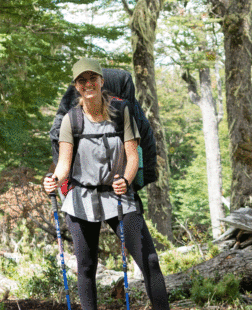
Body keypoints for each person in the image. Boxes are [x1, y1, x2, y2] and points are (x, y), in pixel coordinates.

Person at [43, 58, 170, 310]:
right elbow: (64, 164)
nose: (88, 84)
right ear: (76, 86)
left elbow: (133, 156)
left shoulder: (121, 112)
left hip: (118, 196)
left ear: (101, 81)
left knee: (150, 261)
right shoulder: (71, 119)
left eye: (92, 79)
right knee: (87, 267)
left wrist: (126, 179)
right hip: (81, 198)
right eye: (82, 80)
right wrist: (54, 180)